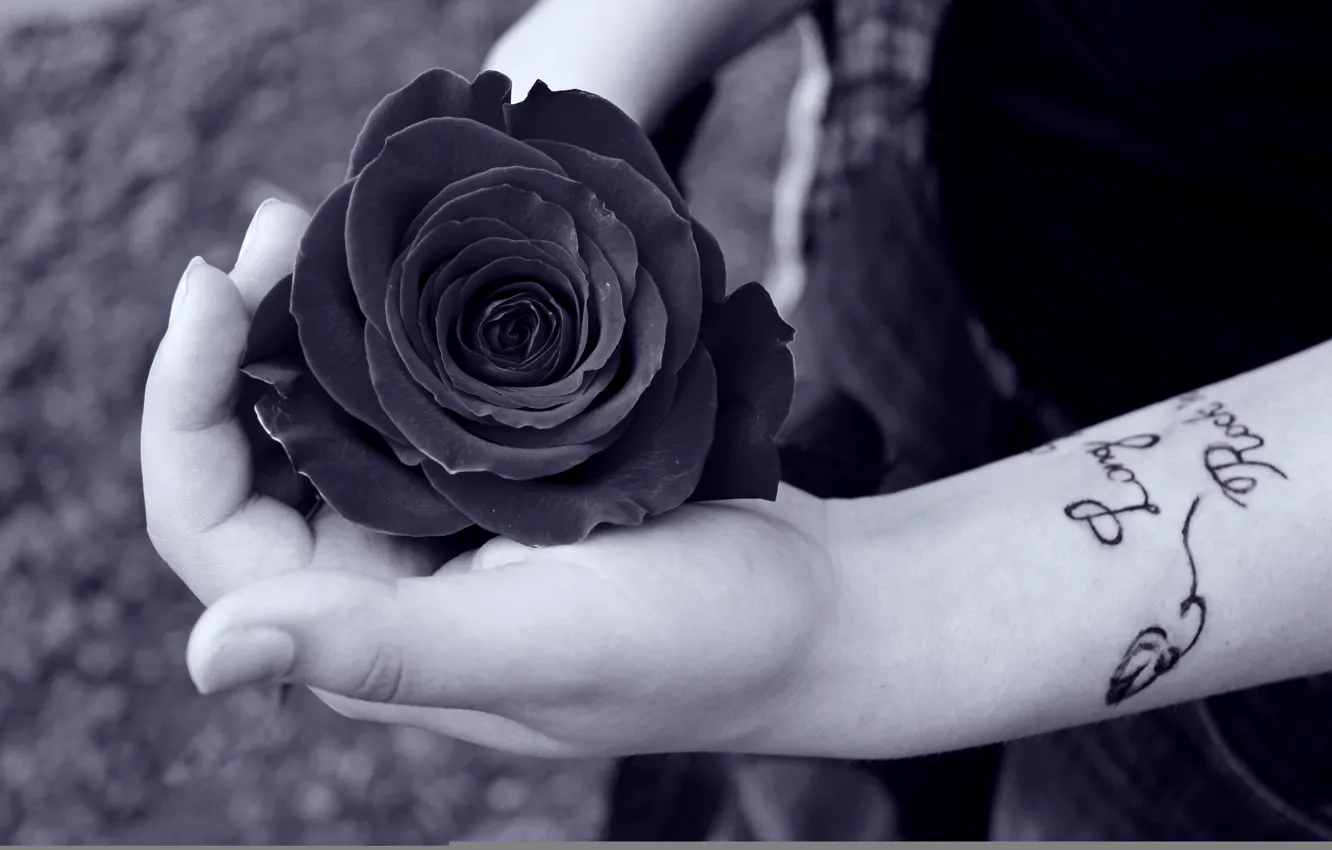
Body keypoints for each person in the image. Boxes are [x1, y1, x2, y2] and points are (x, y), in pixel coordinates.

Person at [141, 0, 1332, 839]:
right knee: (804, 806)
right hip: (954, 205)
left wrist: (863, 616)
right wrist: (579, 61)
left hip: (1276, 614)